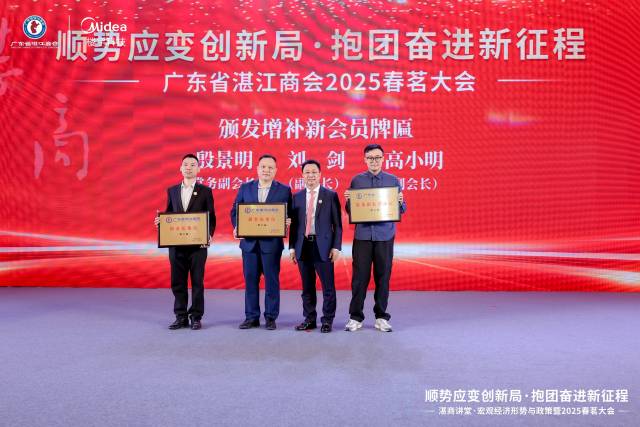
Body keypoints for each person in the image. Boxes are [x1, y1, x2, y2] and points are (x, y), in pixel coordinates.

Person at [344, 144, 406, 332]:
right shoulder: (357, 180)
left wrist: (400, 202)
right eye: (370, 158)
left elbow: (401, 209)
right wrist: (348, 201)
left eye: (377, 157)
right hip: (363, 236)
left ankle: (381, 317)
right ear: (365, 159)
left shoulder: (392, 180)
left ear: (383, 158)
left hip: (385, 236)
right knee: (359, 278)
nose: (374, 161)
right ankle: (355, 317)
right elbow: (350, 211)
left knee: (383, 277)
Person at [154, 154, 216, 330]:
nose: (189, 167)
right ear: (181, 168)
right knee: (178, 281)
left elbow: (211, 217)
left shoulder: (205, 191)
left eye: (193, 165)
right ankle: (180, 316)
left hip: (198, 245)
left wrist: (208, 235)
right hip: (176, 245)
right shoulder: (172, 191)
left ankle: (196, 317)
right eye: (186, 164)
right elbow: (169, 214)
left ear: (198, 169)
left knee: (197, 282)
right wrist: (161, 222)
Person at [230, 154, 292, 330]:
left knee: (271, 281)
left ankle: (271, 317)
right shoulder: (245, 188)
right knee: (250, 281)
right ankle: (251, 317)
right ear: (257, 169)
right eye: (263, 167)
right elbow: (235, 211)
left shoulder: (284, 190)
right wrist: (238, 226)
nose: (266, 170)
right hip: (249, 244)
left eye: (270, 167)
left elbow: (290, 213)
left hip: (271, 244)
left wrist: (288, 220)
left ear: (275, 170)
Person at [289, 160, 342, 333]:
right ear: (302, 175)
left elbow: (337, 225)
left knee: (328, 287)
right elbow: (294, 226)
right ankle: (309, 319)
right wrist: (292, 247)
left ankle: (327, 320)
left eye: (314, 172)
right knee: (307, 287)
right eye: (307, 172)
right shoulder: (296, 197)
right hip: (303, 246)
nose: (310, 175)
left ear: (320, 175)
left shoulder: (330, 195)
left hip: (324, 247)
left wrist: (336, 247)